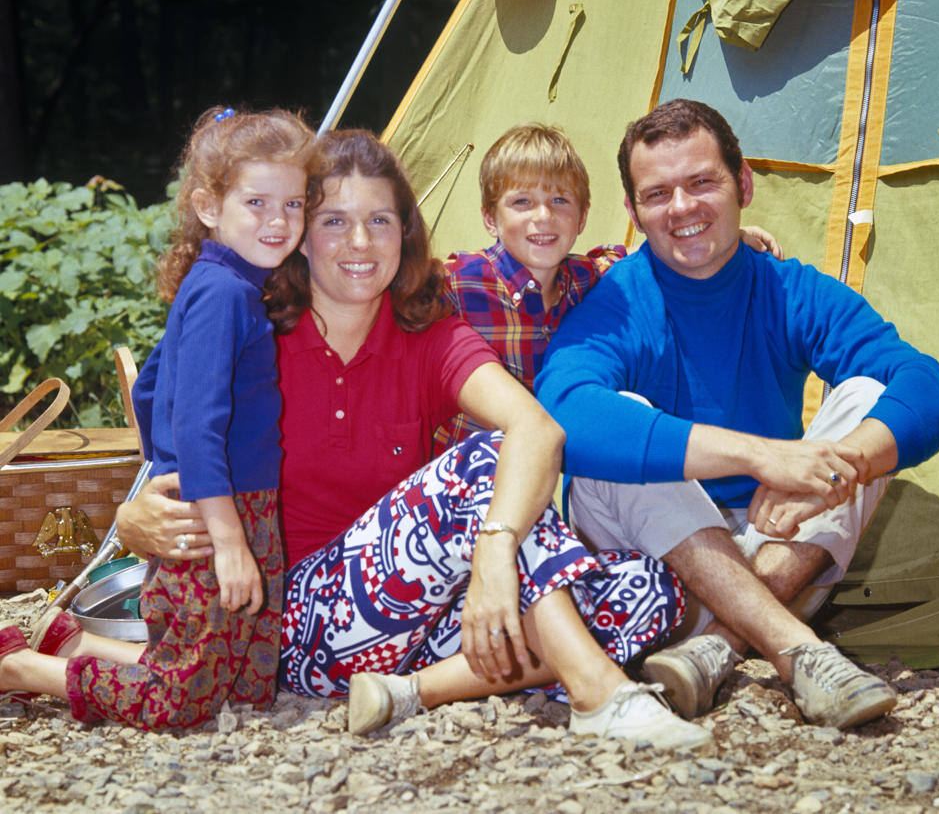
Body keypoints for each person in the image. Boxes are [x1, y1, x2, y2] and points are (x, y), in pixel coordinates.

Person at [112, 128, 710, 750]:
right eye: (334, 221)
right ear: (299, 234)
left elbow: (538, 428)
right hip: (293, 620)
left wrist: (494, 557)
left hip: (425, 615)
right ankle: (599, 695)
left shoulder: (428, 335)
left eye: (381, 220)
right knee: (481, 463)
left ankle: (413, 691)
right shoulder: (248, 325)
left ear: (406, 233)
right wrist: (132, 516)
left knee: (649, 588)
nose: (362, 243)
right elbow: (169, 427)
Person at [535, 98, 939, 730]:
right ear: (633, 212)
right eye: (658, 194)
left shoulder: (790, 290)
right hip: (659, 565)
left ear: (744, 184)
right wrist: (760, 454)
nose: (682, 209)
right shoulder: (618, 301)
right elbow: (564, 408)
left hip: (780, 542)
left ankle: (720, 644)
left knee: (872, 403)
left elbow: (927, 388)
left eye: (702, 181)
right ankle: (799, 652)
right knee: (609, 437)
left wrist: (840, 466)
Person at [0, 106, 317, 728]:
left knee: (246, 685)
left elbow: (149, 387)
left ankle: (72, 639)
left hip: (237, 502)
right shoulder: (224, 293)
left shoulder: (228, 283)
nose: (279, 221)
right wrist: (226, 537)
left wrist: (160, 461)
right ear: (208, 207)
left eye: (294, 204)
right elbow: (199, 423)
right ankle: (24, 670)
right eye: (257, 203)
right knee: (183, 703)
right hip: (212, 513)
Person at [435, 122, 781, 453]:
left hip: (526, 473)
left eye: (560, 201)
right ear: (490, 218)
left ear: (582, 217)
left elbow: (643, 255)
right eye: (522, 202)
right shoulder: (459, 280)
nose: (543, 216)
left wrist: (720, 235)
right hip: (452, 466)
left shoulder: (583, 279)